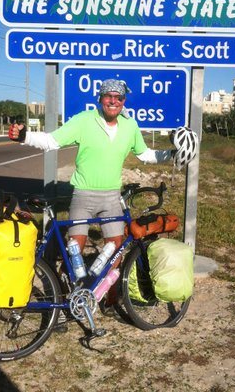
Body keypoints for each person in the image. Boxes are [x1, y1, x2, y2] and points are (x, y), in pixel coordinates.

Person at [9, 78, 175, 307]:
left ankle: (110, 296)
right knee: (74, 250)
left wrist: (173, 155)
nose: (113, 101)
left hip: (111, 198)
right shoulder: (84, 120)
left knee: (115, 248)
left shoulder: (130, 126)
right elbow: (51, 141)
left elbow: (145, 154)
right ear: (100, 98)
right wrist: (24, 136)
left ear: (124, 101)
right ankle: (68, 298)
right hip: (83, 195)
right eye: (109, 96)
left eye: (119, 97)